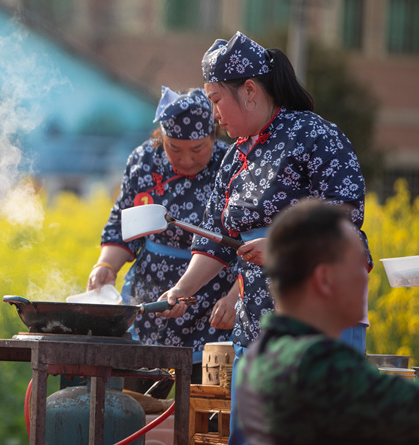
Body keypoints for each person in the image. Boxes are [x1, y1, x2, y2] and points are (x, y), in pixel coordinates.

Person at [157, 31, 371, 444]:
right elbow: (218, 239)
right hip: (257, 315)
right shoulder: (235, 156)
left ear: (250, 92)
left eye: (216, 99)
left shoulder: (313, 134)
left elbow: (345, 210)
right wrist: (181, 290)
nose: (213, 113)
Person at [235, 199, 419, 445]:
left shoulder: (263, 354)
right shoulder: (317, 365)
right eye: (359, 266)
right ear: (325, 279)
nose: (365, 279)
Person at [87, 86, 237, 385]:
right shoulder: (144, 161)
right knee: (133, 403)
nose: (186, 160)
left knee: (208, 408)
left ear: (213, 135)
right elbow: (123, 225)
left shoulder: (232, 163)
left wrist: (236, 297)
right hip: (152, 299)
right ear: (161, 138)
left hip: (215, 298)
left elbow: (252, 237)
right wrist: (105, 267)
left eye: (197, 149)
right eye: (174, 148)